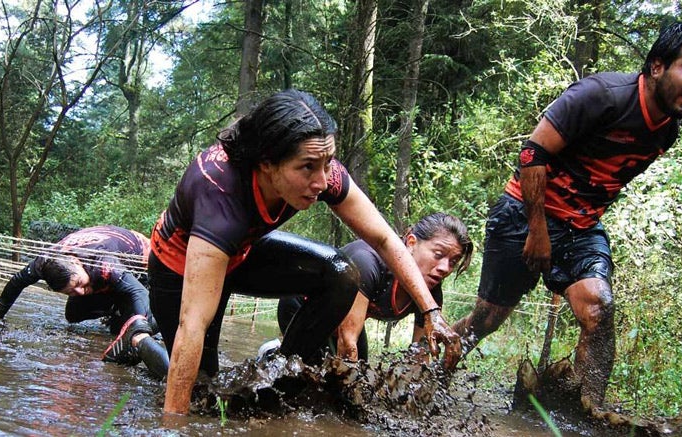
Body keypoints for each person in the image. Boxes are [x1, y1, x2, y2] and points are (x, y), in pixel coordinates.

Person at [453, 21, 682, 413]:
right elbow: (532, 154)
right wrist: (539, 230)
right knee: (488, 318)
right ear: (658, 66)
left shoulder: (669, 128)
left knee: (600, 307)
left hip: (581, 224)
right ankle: (421, 377)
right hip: (524, 214)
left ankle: (585, 413)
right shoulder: (602, 95)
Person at [148, 89, 462, 416]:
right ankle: (142, 343)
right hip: (180, 266)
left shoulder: (320, 167)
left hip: (242, 252)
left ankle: (280, 378)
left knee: (341, 272)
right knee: (202, 390)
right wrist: (175, 424)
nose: (323, 181)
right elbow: (192, 324)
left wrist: (430, 312)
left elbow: (384, 238)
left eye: (328, 163)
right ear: (266, 162)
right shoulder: (218, 192)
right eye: (308, 168)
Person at [277, 212, 473, 362]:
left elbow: (419, 357)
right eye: (438, 255)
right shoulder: (368, 263)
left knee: (359, 372)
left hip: (345, 322)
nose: (445, 268)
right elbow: (347, 343)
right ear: (411, 243)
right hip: (302, 306)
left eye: (453, 262)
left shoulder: (431, 294)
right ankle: (273, 354)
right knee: (306, 378)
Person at [0, 225, 169, 378]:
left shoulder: (103, 262)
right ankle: (116, 309)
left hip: (144, 264)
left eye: (79, 284)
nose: (80, 292)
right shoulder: (44, 262)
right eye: (70, 292)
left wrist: (138, 331)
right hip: (103, 270)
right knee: (73, 315)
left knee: (126, 326)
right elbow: (17, 281)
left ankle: (139, 320)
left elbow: (137, 292)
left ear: (75, 262)